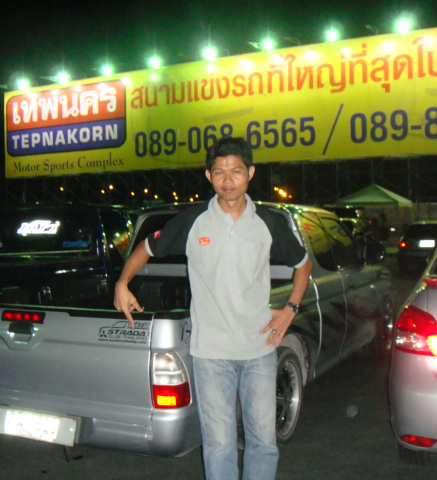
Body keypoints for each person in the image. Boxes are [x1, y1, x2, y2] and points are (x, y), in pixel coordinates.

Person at [114, 136, 313, 480]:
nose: (228, 179)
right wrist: (122, 282)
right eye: (219, 172)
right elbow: (146, 247)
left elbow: (303, 263)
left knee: (263, 442)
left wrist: (290, 308)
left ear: (250, 173)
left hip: (259, 348)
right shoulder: (193, 220)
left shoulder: (267, 222)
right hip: (211, 353)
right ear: (209, 176)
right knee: (219, 446)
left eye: (236, 171)